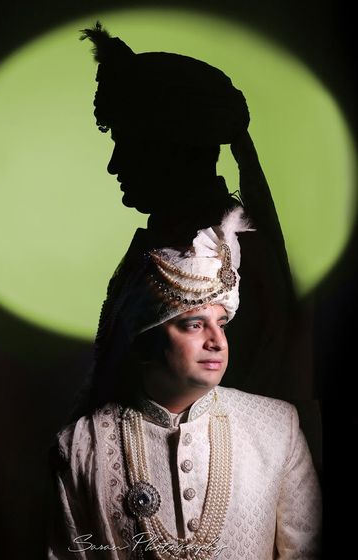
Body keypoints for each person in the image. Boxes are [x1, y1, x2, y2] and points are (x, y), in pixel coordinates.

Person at [46, 22, 321, 559]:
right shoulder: (159, 246)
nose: (114, 164)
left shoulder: (234, 258)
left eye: (126, 144)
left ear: (171, 149)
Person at [47, 206, 321, 559]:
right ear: (147, 339)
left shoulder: (277, 427)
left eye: (221, 323)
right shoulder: (81, 446)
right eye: (194, 325)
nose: (217, 341)